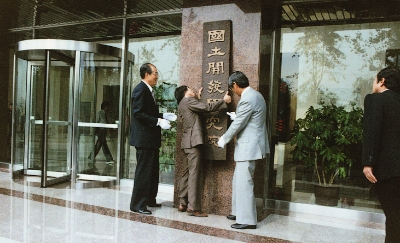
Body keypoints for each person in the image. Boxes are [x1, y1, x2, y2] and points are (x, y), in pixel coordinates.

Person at [217, 71, 269, 230]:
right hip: (251, 145)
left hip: (249, 146)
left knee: (244, 182)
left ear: (235, 85)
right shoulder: (256, 95)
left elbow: (239, 123)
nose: (233, 92)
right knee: (238, 180)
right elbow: (249, 119)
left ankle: (248, 219)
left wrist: (224, 138)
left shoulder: (247, 99)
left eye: (232, 89)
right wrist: (237, 115)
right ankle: (238, 212)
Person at [174, 86, 231, 217]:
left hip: (187, 142)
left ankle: (182, 202)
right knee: (195, 174)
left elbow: (197, 111)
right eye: (190, 89)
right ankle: (193, 207)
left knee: (186, 173)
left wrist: (198, 98)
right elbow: (207, 108)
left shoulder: (183, 103)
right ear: (185, 92)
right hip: (194, 142)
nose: (193, 90)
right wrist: (224, 101)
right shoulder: (188, 100)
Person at [129, 63, 177, 215]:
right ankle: (137, 205)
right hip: (144, 139)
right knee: (143, 172)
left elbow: (148, 112)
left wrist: (163, 116)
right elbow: (138, 113)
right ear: (146, 74)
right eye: (155, 73)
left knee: (151, 171)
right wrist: (157, 121)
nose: (157, 76)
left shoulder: (149, 91)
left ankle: (149, 199)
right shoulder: (140, 90)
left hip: (150, 140)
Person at [362, 66, 400, 243]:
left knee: (393, 215)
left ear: (382, 81)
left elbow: (372, 132)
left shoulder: (375, 100)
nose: (372, 83)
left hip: (388, 170)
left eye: (374, 79)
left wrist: (368, 162)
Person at [88, 101, 114, 173]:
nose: (109, 108)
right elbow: (97, 122)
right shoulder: (100, 114)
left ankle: (91, 156)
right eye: (108, 107)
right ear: (105, 107)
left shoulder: (106, 114)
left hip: (104, 131)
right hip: (101, 131)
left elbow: (109, 121)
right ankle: (109, 159)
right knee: (102, 144)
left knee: (101, 144)